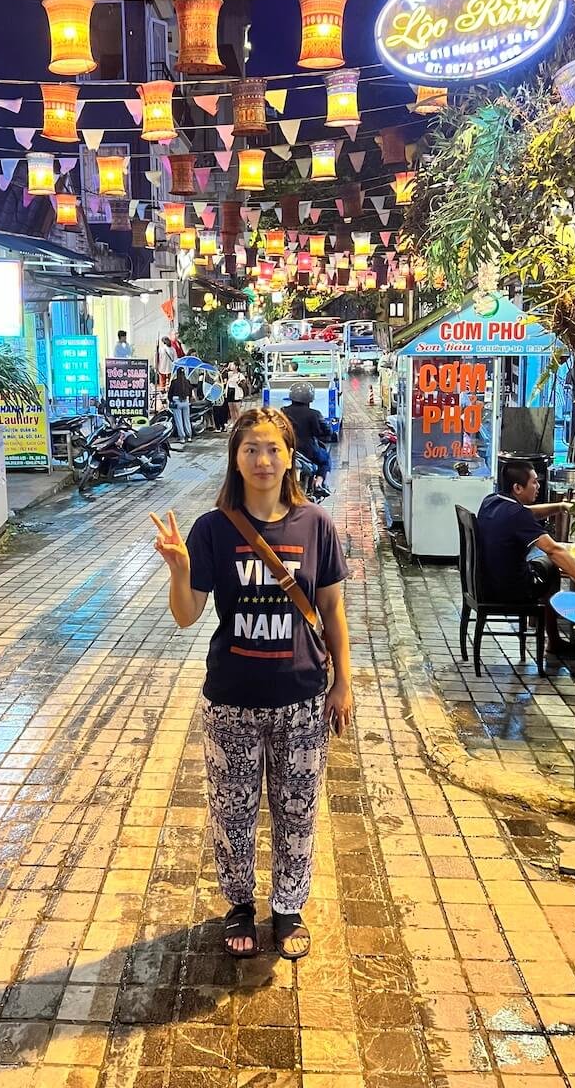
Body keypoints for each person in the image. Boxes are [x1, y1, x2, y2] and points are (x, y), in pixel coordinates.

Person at [151, 407, 352, 961]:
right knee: (232, 811)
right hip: (232, 700)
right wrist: (177, 568)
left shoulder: (316, 526)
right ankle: (239, 905)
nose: (262, 460)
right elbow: (188, 615)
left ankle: (288, 909)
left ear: (290, 456)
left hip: (303, 697)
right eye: (250, 450)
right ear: (235, 458)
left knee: (298, 809)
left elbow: (333, 610)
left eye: (273, 449)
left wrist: (343, 683)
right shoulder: (213, 528)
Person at [476, 459, 575, 614]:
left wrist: (561, 507)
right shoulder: (517, 514)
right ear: (518, 488)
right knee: (552, 562)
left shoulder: (491, 500)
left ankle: (544, 624)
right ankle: (552, 632)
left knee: (540, 559)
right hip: (510, 590)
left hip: (486, 583)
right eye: (534, 482)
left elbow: (529, 512)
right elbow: (553, 550)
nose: (538, 486)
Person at [282, 382, 332, 498]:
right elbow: (323, 431)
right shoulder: (314, 414)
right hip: (308, 451)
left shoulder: (283, 412)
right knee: (325, 460)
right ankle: (319, 484)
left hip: (286, 449)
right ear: (310, 398)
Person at [168, 367, 192, 443]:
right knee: (186, 419)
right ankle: (189, 436)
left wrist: (170, 400)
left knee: (179, 420)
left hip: (176, 401)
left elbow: (170, 394)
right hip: (186, 401)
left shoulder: (174, 382)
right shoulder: (187, 381)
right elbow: (190, 393)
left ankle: (182, 438)